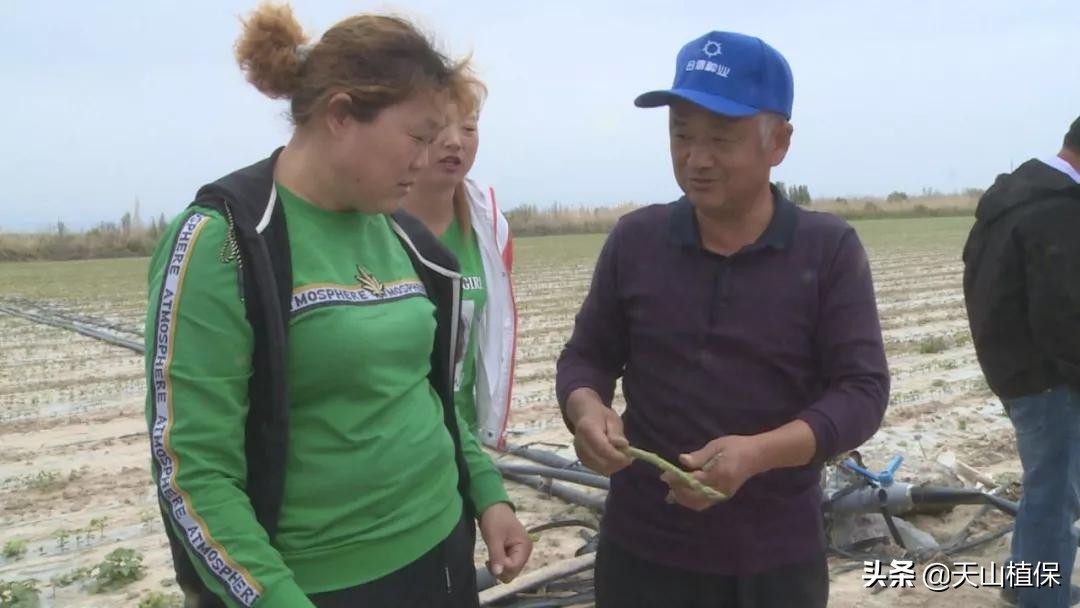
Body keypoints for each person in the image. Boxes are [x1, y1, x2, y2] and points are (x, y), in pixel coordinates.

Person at [143, 4, 531, 607]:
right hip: (316, 583)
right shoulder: (226, 242)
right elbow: (191, 472)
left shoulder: (408, 240)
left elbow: (433, 394)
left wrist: (487, 494)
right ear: (342, 116)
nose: (428, 160)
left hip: (440, 551)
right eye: (418, 137)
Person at [555, 31, 890, 608]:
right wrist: (586, 410)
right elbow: (586, 356)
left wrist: (758, 454)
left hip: (773, 560)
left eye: (721, 137)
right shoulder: (636, 240)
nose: (696, 157)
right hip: (642, 552)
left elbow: (861, 391)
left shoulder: (826, 249)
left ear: (778, 142)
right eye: (681, 134)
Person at [962, 116, 1080, 608]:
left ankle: (1030, 580)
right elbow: (1064, 314)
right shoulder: (1057, 211)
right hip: (1048, 377)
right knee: (1056, 493)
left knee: (1046, 483)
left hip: (1013, 369)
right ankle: (1040, 596)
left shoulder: (1013, 199)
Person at [401, 74, 517, 451]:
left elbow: (490, 336)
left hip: (460, 441)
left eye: (469, 127)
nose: (455, 141)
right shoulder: (370, 224)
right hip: (392, 446)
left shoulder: (490, 227)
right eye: (437, 127)